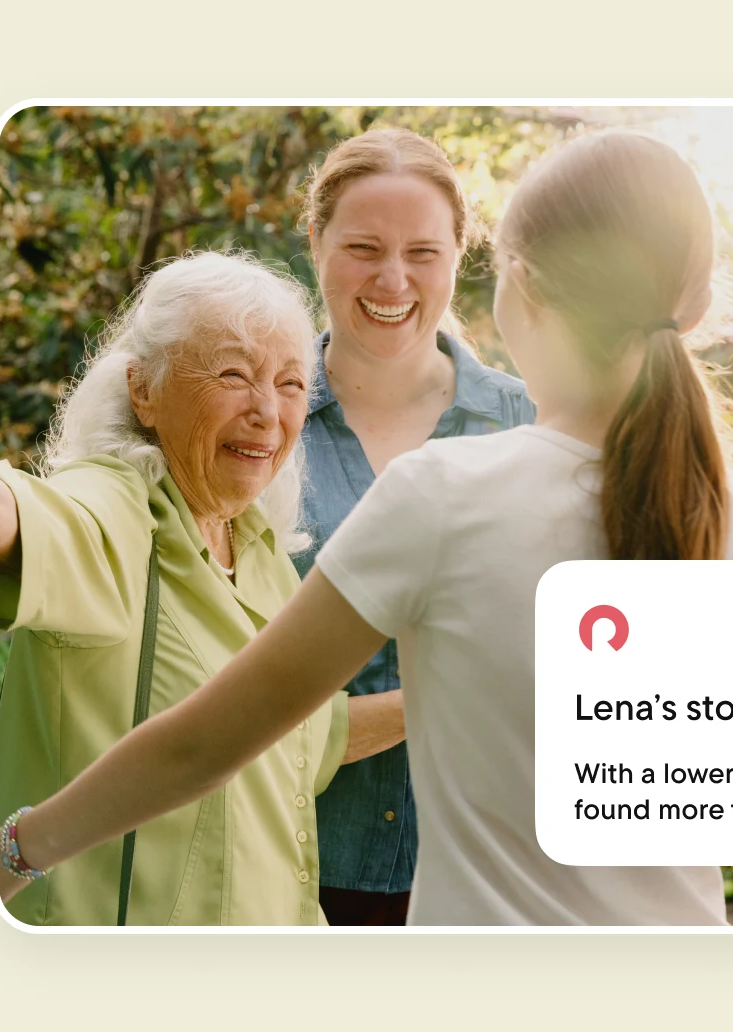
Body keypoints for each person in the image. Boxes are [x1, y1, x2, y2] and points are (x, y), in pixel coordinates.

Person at [0, 132, 733, 926]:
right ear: (690, 306)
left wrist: (16, 853)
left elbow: (203, 745)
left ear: (513, 282)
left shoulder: (443, 493)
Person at [0, 251, 405, 926]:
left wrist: (445, 690)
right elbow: (21, 516)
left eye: (291, 385)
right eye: (234, 375)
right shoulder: (117, 506)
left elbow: (296, 730)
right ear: (145, 390)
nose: (267, 413)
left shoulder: (260, 550)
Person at [293, 128, 535, 925]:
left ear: (459, 256)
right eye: (363, 246)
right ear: (316, 242)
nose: (392, 278)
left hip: (485, 878)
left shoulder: (530, 423)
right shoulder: (255, 423)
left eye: (423, 252)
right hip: (288, 873)